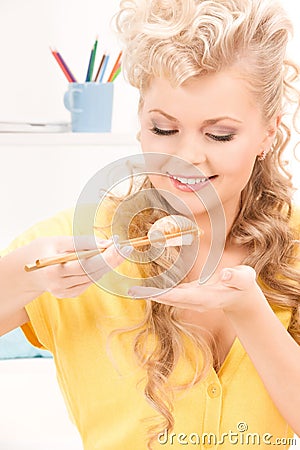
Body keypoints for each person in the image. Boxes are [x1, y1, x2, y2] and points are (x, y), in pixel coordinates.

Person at [1, 0, 300, 449]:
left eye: (219, 134)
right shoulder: (75, 243)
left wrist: (251, 312)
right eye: (163, 129)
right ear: (140, 123)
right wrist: (23, 273)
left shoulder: (293, 245)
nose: (184, 156)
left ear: (267, 134)